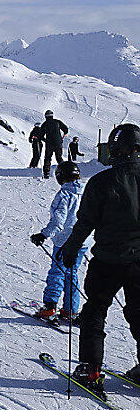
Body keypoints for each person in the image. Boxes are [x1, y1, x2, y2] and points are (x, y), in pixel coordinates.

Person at [58, 123, 140, 392]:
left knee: (95, 311)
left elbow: (85, 222)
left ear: (117, 149)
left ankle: (91, 369)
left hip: (109, 259)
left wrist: (71, 249)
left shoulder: (102, 181)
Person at [29, 161, 86, 321]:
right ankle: (70, 309)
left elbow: (58, 221)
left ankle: (49, 307)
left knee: (58, 272)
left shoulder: (65, 195)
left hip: (64, 242)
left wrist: (44, 235)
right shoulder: (85, 192)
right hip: (82, 241)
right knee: (72, 273)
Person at [40, 109, 69, 179]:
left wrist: (45, 140)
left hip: (49, 144)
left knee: (47, 158)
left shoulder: (44, 124)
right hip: (58, 143)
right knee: (59, 158)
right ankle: (64, 171)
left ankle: (46, 173)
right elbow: (66, 129)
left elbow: (40, 135)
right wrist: (64, 135)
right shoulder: (57, 122)